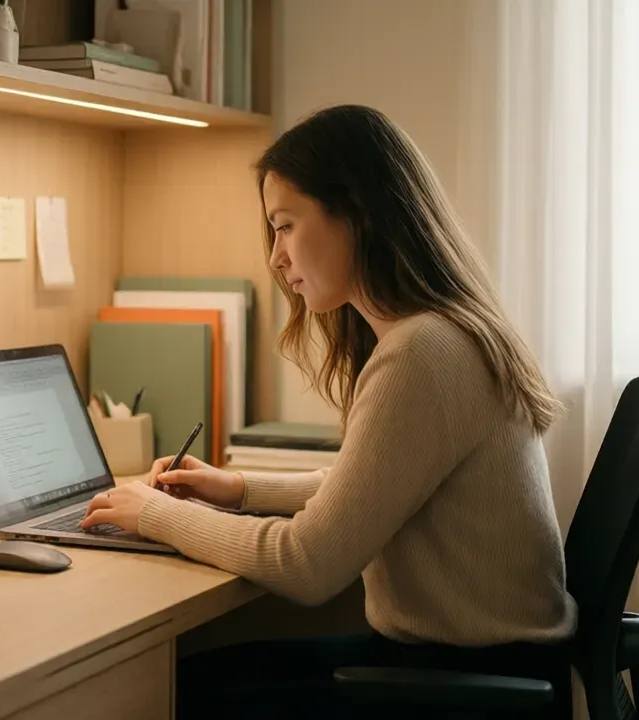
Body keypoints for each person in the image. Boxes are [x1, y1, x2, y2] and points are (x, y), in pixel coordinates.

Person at [81, 104, 577, 717]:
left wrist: (153, 513)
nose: (275, 257)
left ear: (356, 215)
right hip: (489, 668)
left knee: (172, 692)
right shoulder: (441, 335)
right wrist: (235, 488)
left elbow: (306, 564)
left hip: (457, 683)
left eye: (285, 226)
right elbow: (371, 486)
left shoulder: (423, 353)